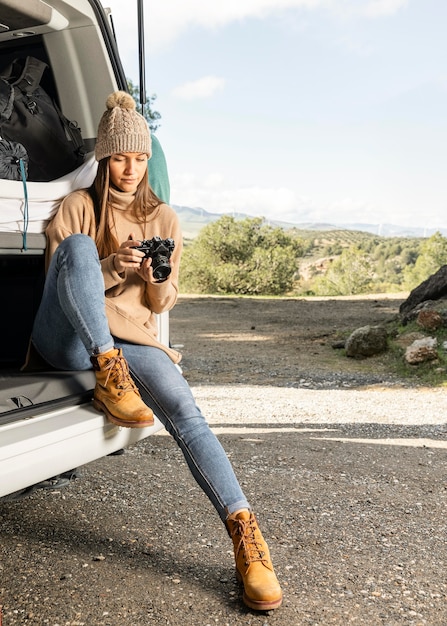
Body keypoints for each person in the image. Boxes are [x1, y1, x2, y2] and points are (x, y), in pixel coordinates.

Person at [30, 91, 282, 611]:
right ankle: (107, 372)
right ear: (104, 157)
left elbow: (162, 302)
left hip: (131, 341)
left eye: (141, 158)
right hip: (72, 338)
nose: (130, 168)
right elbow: (57, 287)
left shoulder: (164, 219)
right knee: (79, 248)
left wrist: (154, 278)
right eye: (121, 156)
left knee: (188, 413)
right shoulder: (77, 207)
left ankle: (247, 540)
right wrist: (110, 266)